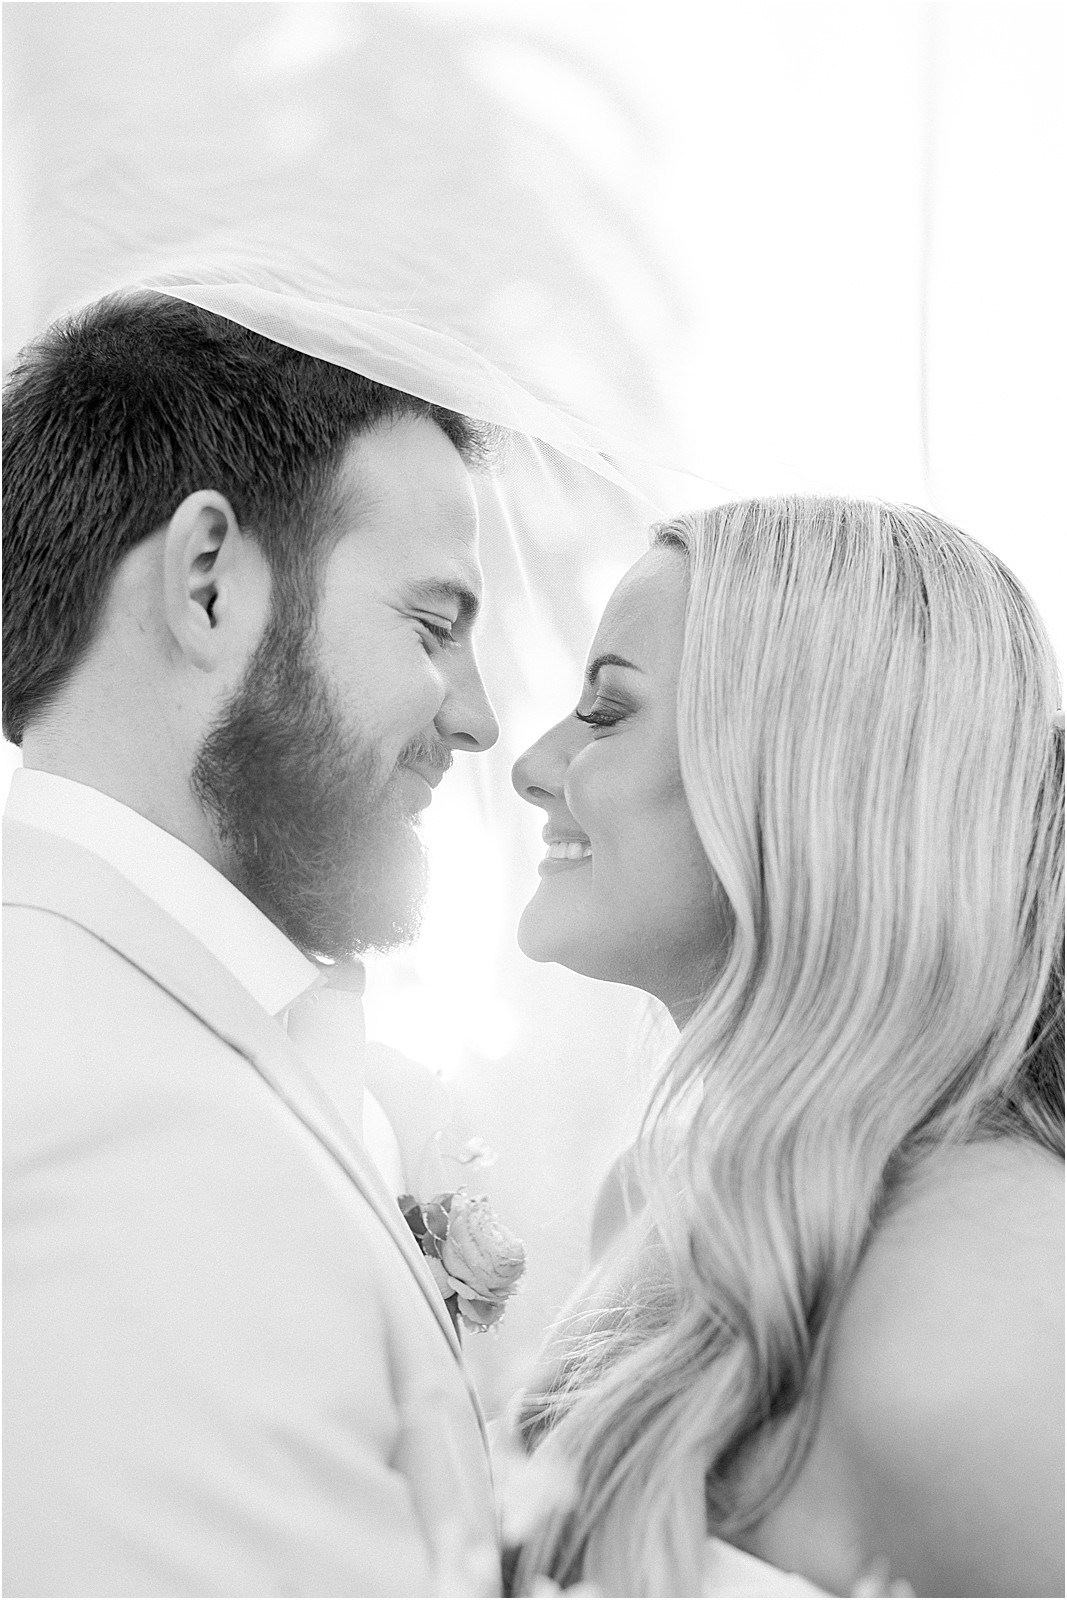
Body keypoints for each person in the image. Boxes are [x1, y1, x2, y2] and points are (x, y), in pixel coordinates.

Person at [2, 289, 503, 1597]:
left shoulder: (143, 1022)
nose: (480, 720)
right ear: (210, 582)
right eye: (431, 623)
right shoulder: (96, 1114)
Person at [509, 497, 1064, 1598]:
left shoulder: (993, 1290)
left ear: (798, 781)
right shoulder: (652, 1202)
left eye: (606, 712)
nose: (531, 763)